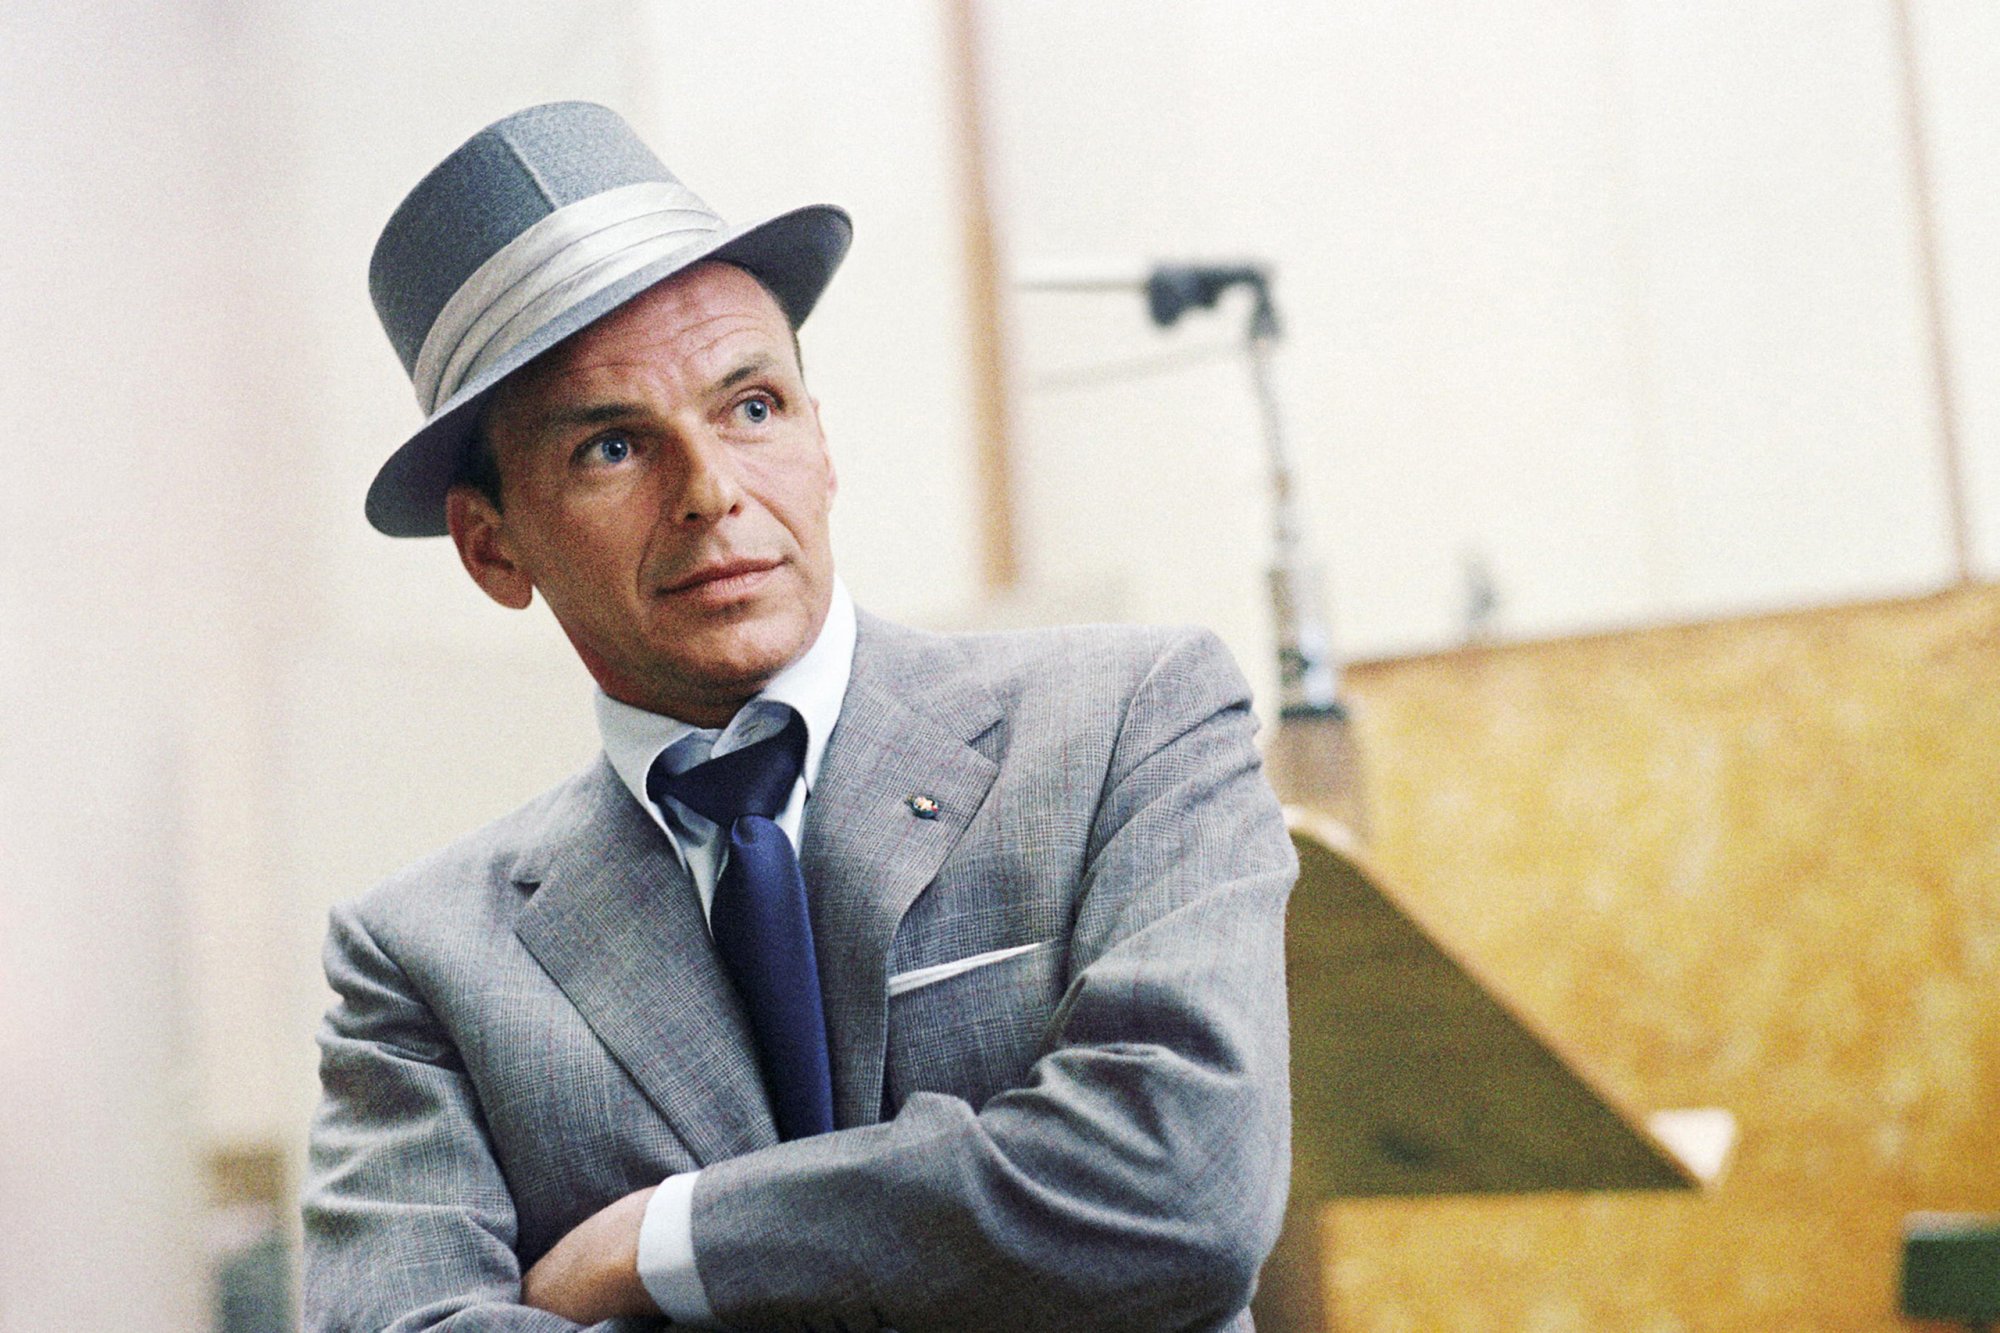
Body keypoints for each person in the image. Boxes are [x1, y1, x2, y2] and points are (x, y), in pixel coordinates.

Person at [304, 101, 1296, 1333]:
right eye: (612, 447)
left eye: (752, 407)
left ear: (822, 444)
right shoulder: (424, 959)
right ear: (492, 546)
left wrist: (663, 1242)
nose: (711, 491)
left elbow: (1178, 1184)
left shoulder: (1124, 721)